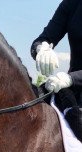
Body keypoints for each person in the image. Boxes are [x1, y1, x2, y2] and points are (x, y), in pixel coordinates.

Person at [30, 0, 82, 141]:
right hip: (72, 92)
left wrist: (71, 79)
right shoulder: (72, 4)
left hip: (71, 82)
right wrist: (41, 48)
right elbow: (42, 39)